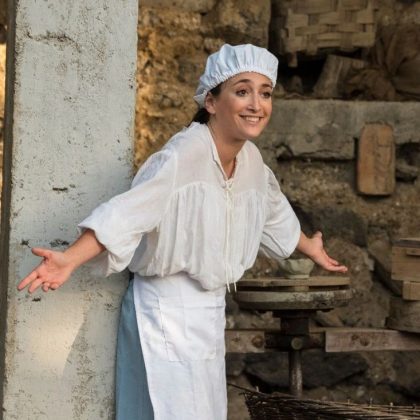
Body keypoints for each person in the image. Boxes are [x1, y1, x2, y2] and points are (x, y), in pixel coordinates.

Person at [18, 44, 347, 420]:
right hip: (164, 312)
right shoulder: (183, 155)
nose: (256, 104)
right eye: (242, 91)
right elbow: (127, 213)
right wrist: (69, 259)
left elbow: (272, 210)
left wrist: (309, 247)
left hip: (208, 312)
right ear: (211, 101)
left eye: (266, 93)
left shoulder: (251, 162)